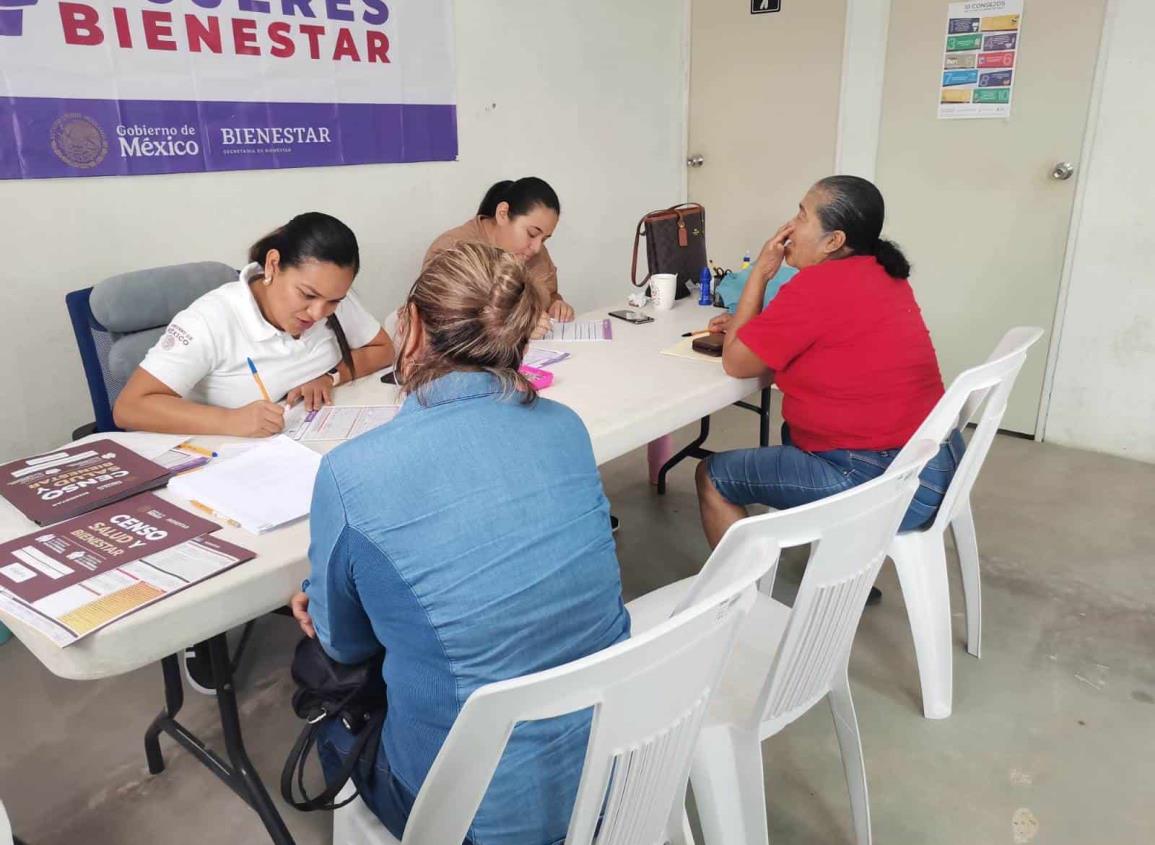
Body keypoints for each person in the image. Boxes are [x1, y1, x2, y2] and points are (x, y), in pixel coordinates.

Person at [291, 242, 630, 844]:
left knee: (320, 681)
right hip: (612, 764)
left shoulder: (352, 474)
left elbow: (345, 644)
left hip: (468, 814)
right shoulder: (566, 427)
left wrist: (322, 604)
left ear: (413, 327)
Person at [699, 176, 965, 586]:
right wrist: (747, 324)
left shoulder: (816, 287)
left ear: (833, 240)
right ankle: (843, 568)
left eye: (802, 215)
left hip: (884, 485)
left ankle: (743, 610)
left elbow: (736, 362)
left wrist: (760, 275)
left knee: (713, 476)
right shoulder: (882, 270)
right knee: (792, 432)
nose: (789, 225)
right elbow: (831, 340)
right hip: (934, 463)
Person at [114, 212, 394, 437]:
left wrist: (329, 377)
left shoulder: (333, 299)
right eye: (307, 295)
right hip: (227, 461)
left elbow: (383, 348)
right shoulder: (211, 319)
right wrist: (230, 421)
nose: (319, 312)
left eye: (333, 301)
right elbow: (130, 407)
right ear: (273, 265)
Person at [424, 177, 574, 339]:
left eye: (544, 239)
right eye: (532, 234)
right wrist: (517, 326)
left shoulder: (533, 252)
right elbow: (441, 324)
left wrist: (555, 305)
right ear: (502, 213)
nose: (537, 247)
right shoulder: (453, 249)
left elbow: (549, 294)